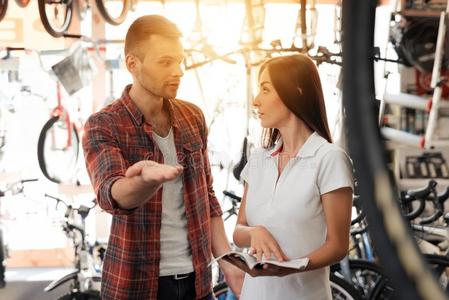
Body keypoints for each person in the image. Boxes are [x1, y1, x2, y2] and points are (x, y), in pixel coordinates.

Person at [82, 15, 243, 300]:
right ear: (133, 64)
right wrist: (144, 181)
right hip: (136, 286)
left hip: (198, 282)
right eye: (165, 62)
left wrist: (228, 260)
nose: (178, 71)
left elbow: (207, 197)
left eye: (179, 61)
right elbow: (113, 194)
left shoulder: (192, 116)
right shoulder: (104, 124)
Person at [232, 54, 353, 299]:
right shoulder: (258, 159)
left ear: (295, 92)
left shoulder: (328, 158)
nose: (256, 100)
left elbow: (338, 245)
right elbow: (238, 231)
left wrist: (290, 267)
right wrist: (255, 232)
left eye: (265, 90)